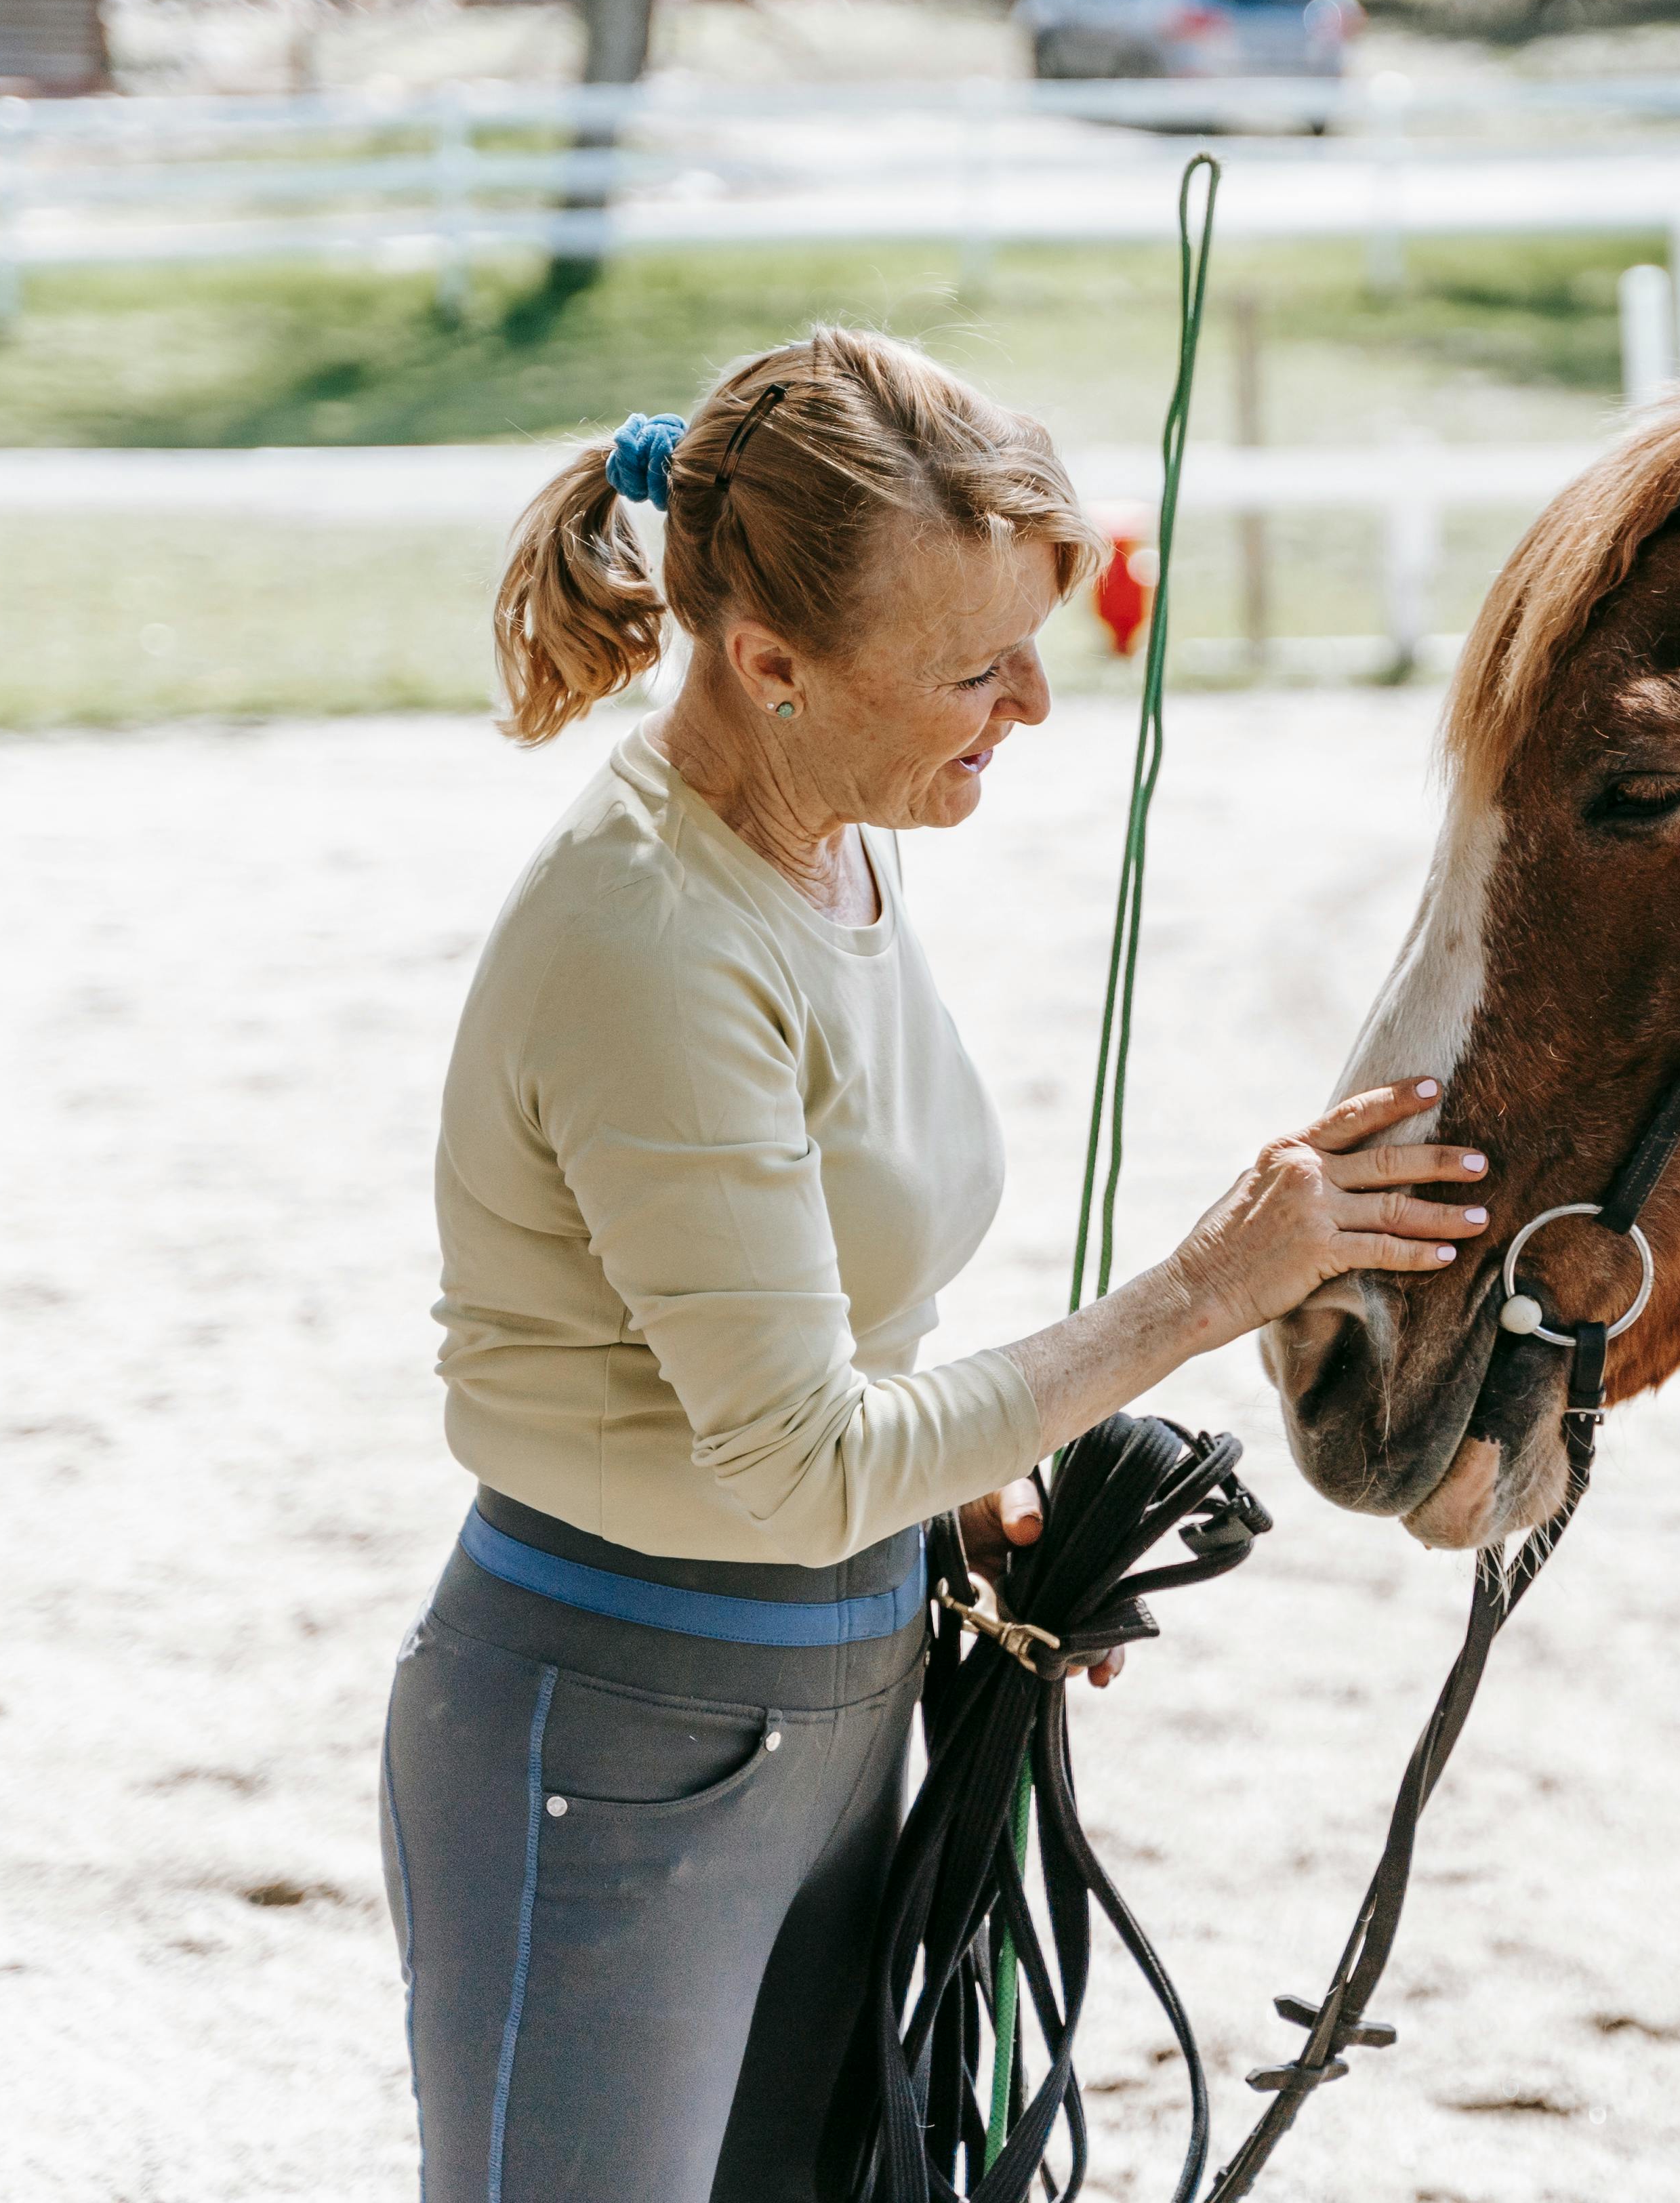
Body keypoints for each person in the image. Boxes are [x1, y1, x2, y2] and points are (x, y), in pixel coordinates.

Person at [379, 329, 1494, 2203]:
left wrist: (964, 1504)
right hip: (616, 1731)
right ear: (769, 667)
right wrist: (1197, 1296)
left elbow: (824, 1336)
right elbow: (801, 1460)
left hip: (839, 1696)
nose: (1034, 708)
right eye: (976, 671)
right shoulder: (653, 934)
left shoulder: (835, 856)